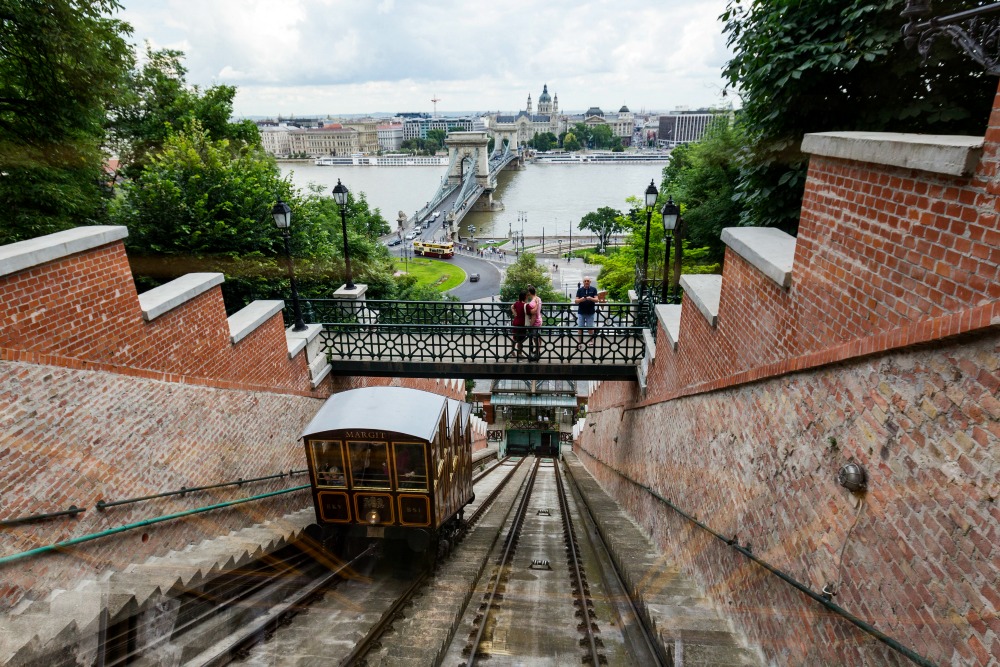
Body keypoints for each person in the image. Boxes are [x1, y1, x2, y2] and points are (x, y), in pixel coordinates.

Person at [575, 276, 599, 344]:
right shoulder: (579, 290)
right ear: (583, 282)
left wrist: (590, 298)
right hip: (581, 312)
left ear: (590, 282)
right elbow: (576, 301)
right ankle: (579, 342)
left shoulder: (593, 289)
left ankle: (591, 342)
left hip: (590, 312)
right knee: (580, 328)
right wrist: (581, 299)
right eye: (585, 281)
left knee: (590, 328)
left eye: (588, 281)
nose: (586, 282)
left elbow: (597, 300)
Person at [507, 289, 528, 359]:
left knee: (515, 338)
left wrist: (515, 314)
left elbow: (512, 307)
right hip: (522, 323)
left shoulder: (517, 303)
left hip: (516, 322)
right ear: (525, 297)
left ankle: (512, 351)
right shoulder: (525, 305)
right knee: (521, 339)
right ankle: (520, 353)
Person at [525, 285, 542, 360]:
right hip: (539, 319)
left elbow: (533, 315)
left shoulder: (532, 303)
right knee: (538, 337)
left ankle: (537, 354)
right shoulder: (538, 299)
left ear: (529, 292)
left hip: (535, 322)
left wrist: (530, 325)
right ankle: (538, 351)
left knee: (535, 338)